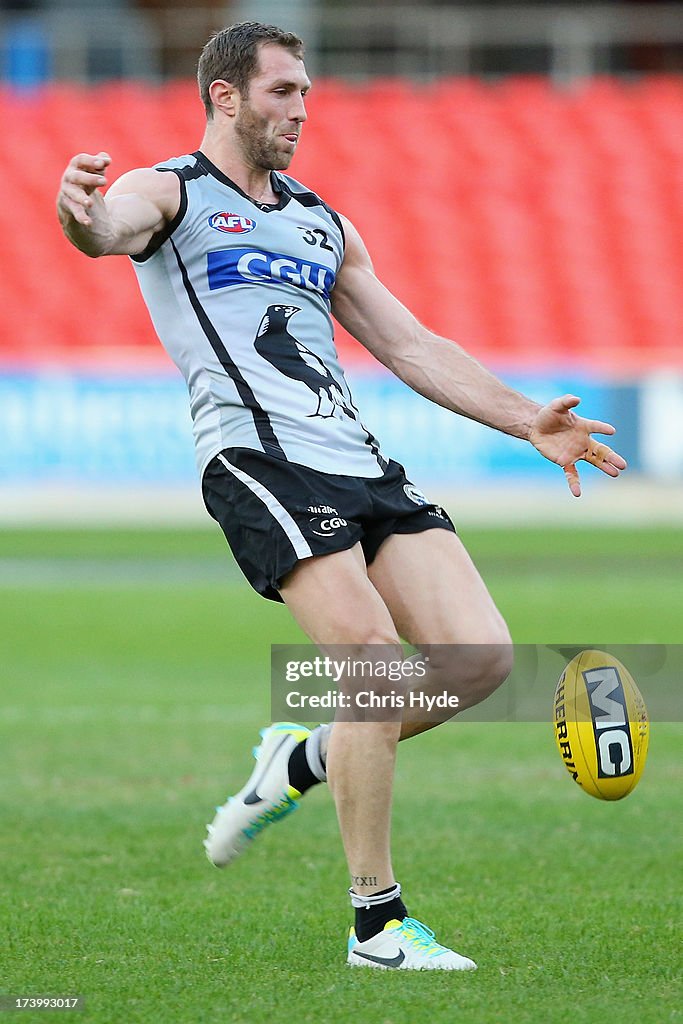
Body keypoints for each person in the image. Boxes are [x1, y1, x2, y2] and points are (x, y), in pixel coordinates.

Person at [57, 21, 626, 971]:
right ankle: (377, 924)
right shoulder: (169, 192)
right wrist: (78, 213)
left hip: (360, 463)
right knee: (367, 660)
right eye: (282, 92)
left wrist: (528, 417)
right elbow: (102, 232)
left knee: (478, 660)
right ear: (226, 96)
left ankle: (303, 757)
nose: (302, 111)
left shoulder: (323, 220)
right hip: (256, 459)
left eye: (307, 94)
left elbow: (410, 347)